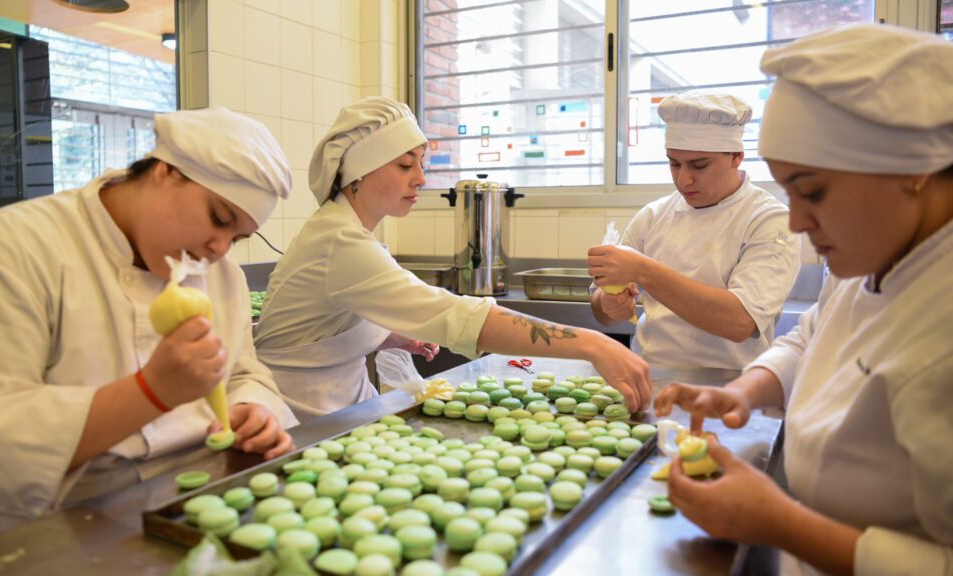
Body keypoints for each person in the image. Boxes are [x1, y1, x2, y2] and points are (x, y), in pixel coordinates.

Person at [655, 24, 953, 575]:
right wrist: (742, 392)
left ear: (912, 171)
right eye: (789, 190)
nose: (796, 221)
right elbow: (811, 337)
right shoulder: (873, 253)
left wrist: (780, 523)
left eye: (812, 191)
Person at [0, 107, 299, 549]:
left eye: (237, 238)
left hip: (192, 503)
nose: (219, 249)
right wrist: (150, 392)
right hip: (42, 533)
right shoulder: (9, 250)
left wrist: (253, 410)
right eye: (219, 218)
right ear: (165, 171)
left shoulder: (221, 273)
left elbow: (243, 373)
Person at [254, 96, 652, 422]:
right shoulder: (339, 240)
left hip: (342, 407)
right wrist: (593, 344)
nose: (421, 178)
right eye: (405, 165)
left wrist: (385, 334)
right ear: (360, 173)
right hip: (299, 415)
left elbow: (318, 328)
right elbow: (460, 317)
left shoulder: (344, 231)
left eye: (421, 164)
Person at [588, 92, 801, 370]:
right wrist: (608, 303)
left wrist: (643, 270)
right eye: (674, 163)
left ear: (736, 157)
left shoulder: (769, 220)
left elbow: (740, 322)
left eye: (699, 165)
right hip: (651, 376)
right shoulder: (654, 216)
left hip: (733, 384)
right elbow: (600, 309)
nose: (683, 179)